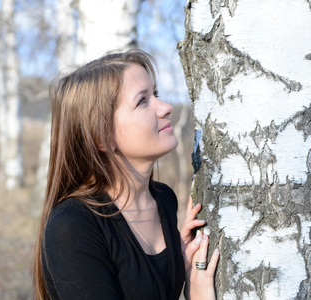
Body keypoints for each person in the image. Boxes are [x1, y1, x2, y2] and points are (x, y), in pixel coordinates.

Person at [33, 49, 219, 300]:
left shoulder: (164, 199)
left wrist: (177, 262)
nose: (165, 107)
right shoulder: (73, 227)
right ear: (102, 137)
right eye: (143, 101)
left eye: (156, 94)